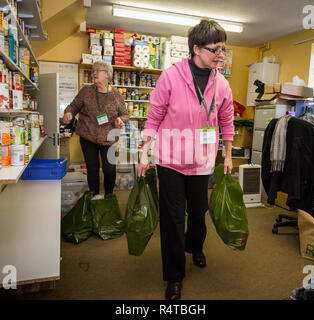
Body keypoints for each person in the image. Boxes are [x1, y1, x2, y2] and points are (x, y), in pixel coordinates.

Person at [137, 19, 235, 300]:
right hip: (170, 160)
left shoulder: (222, 83)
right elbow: (154, 116)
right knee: (172, 218)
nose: (220, 55)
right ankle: (174, 277)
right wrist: (144, 152)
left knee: (198, 213)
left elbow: (226, 121)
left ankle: (195, 246)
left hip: (203, 161)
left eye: (223, 49)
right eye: (215, 49)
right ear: (196, 48)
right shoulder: (171, 76)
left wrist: (227, 154)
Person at [62, 61, 129, 196]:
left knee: (109, 169)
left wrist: (121, 120)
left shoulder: (116, 95)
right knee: (92, 169)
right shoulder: (86, 91)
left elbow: (125, 114)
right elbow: (73, 106)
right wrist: (68, 113)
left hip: (109, 138)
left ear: (107, 74)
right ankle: (95, 197)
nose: (94, 73)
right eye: (94, 70)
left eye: (97, 70)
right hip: (88, 137)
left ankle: (109, 195)